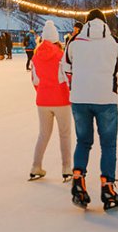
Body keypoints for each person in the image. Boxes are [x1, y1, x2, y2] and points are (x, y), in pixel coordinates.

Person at [63, 9, 118, 211]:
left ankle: (78, 181)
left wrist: (77, 86)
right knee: (108, 145)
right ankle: (108, 188)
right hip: (106, 100)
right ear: (104, 23)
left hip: (79, 100)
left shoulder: (74, 41)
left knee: (83, 141)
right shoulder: (114, 42)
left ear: (86, 23)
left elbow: (65, 68)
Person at [29, 20, 72, 183]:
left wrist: (42, 93)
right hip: (61, 100)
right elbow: (67, 78)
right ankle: (67, 168)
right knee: (65, 135)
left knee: (43, 134)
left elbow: (35, 80)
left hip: (42, 101)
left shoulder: (36, 57)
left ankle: (35, 166)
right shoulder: (61, 56)